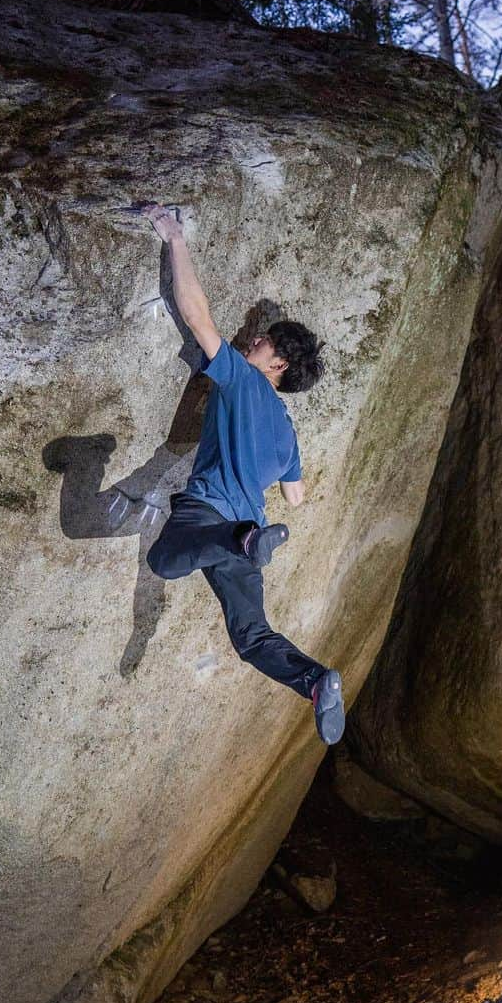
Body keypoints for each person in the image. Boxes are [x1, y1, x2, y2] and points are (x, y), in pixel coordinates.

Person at [141, 203, 345, 745]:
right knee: (253, 636)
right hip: (247, 525)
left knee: (164, 561)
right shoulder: (287, 434)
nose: (249, 342)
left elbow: (197, 316)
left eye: (261, 341)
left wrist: (174, 238)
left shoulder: (241, 379)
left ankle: (241, 539)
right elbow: (296, 496)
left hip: (211, 513)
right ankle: (316, 679)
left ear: (276, 363)